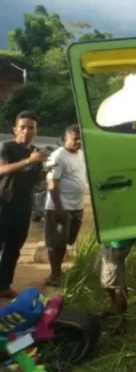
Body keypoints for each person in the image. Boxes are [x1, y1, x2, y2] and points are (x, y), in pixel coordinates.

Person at [0, 111, 49, 298]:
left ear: (36, 131)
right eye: (22, 127)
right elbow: (2, 169)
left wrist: (44, 169)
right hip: (3, 204)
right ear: (15, 129)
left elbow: (35, 180)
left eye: (31, 128)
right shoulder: (7, 147)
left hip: (23, 207)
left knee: (14, 248)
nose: (26, 131)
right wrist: (29, 160)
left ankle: (3, 285)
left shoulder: (34, 152)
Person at [43, 124, 86, 287]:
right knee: (56, 243)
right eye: (75, 139)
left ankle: (58, 273)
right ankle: (54, 275)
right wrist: (58, 207)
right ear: (65, 138)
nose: (78, 142)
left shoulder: (81, 154)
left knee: (67, 241)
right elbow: (52, 183)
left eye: (81, 139)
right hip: (60, 207)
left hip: (77, 206)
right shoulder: (58, 156)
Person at [93, 237, 136, 332]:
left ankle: (121, 318)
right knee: (104, 277)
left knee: (116, 283)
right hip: (108, 240)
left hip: (117, 243)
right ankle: (114, 307)